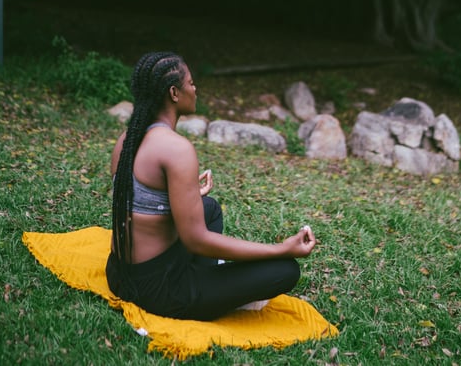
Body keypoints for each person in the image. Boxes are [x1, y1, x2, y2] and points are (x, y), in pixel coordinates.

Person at [106, 51, 316, 320]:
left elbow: (136, 200)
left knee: (209, 208)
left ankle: (210, 282)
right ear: (174, 93)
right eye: (191, 83)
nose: (195, 89)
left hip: (120, 273)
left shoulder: (128, 137)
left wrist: (187, 193)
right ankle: (211, 292)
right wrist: (282, 249)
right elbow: (197, 242)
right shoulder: (176, 149)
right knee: (286, 270)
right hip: (158, 291)